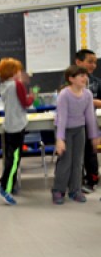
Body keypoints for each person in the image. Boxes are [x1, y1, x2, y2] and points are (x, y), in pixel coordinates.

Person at [52, 65, 100, 204]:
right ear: (71, 79)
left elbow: (90, 117)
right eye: (81, 76)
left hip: (79, 130)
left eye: (85, 76)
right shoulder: (65, 95)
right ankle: (58, 190)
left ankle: (75, 190)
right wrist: (60, 139)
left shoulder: (87, 94)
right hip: (65, 129)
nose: (85, 78)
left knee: (78, 161)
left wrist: (94, 135)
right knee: (65, 161)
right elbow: (62, 118)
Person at [0, 58, 35, 205]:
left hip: (9, 125)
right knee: (15, 159)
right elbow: (25, 103)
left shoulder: (4, 85)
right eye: (17, 70)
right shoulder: (17, 84)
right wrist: (32, 97)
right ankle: (5, 188)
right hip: (18, 125)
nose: (20, 73)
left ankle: (3, 180)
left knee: (10, 157)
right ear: (13, 72)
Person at [75, 49, 101, 193]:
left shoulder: (97, 82)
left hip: (89, 122)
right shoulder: (69, 80)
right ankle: (76, 180)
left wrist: (91, 100)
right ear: (78, 62)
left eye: (95, 63)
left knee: (90, 153)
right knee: (75, 153)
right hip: (73, 124)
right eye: (90, 62)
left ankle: (92, 180)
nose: (93, 65)